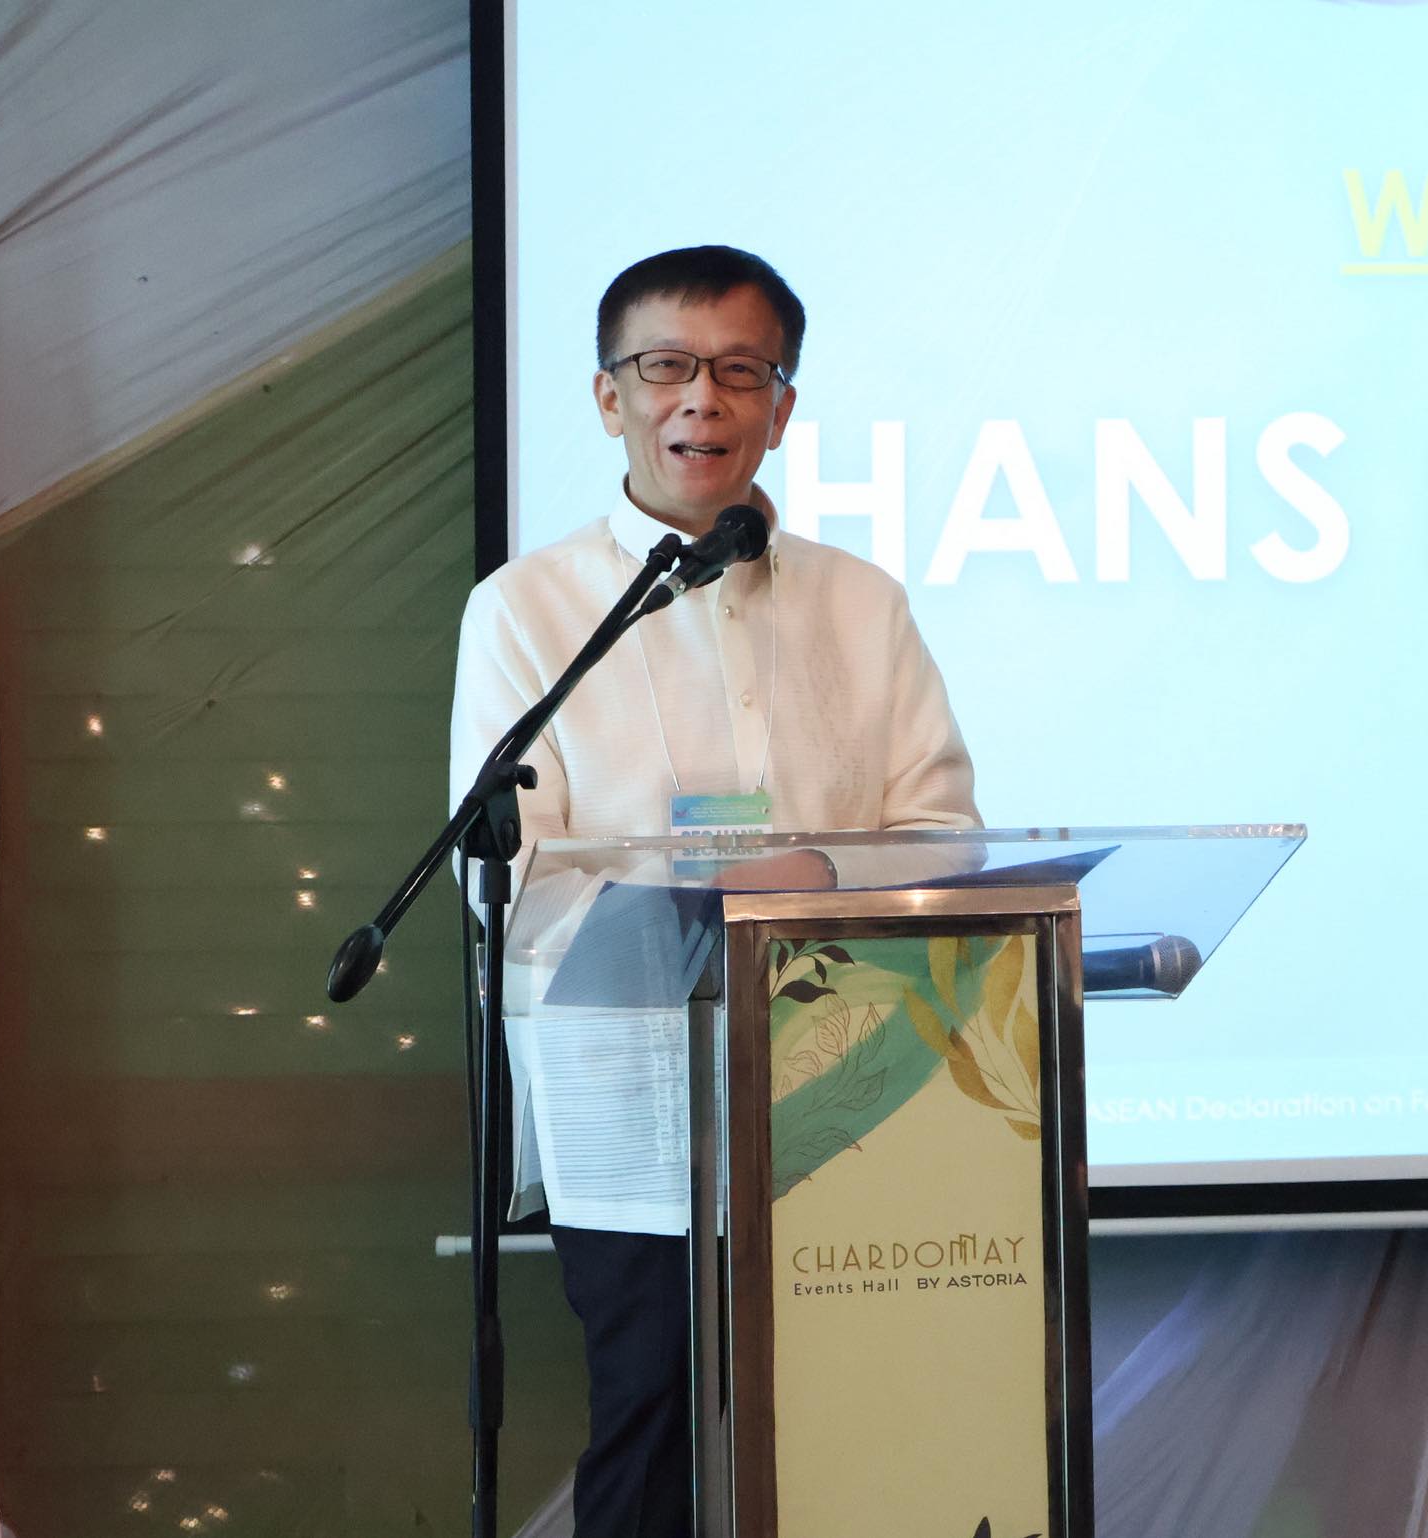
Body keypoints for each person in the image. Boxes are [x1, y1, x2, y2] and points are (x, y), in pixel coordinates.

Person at [448, 245, 979, 1537]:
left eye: (742, 372)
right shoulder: (528, 610)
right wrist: (684, 906)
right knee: (657, 1419)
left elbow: (945, 837)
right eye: (668, 367)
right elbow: (505, 873)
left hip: (850, 1082)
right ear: (608, 396)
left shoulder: (863, 606)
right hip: (632, 1109)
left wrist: (815, 876)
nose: (703, 398)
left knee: (855, 1427)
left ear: (781, 409)